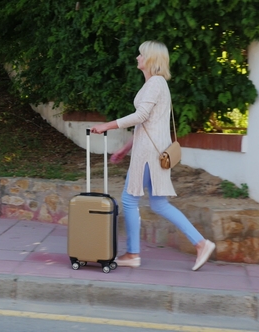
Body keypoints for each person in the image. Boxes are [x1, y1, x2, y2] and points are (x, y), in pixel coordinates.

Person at [90, 40, 215, 271]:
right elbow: (146, 123)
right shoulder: (153, 84)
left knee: (129, 200)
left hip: (149, 154)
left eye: (140, 55)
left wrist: (106, 126)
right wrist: (125, 149)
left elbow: (140, 116)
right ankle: (200, 243)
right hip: (150, 150)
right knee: (158, 203)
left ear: (150, 59)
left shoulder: (156, 83)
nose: (137, 58)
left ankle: (133, 254)